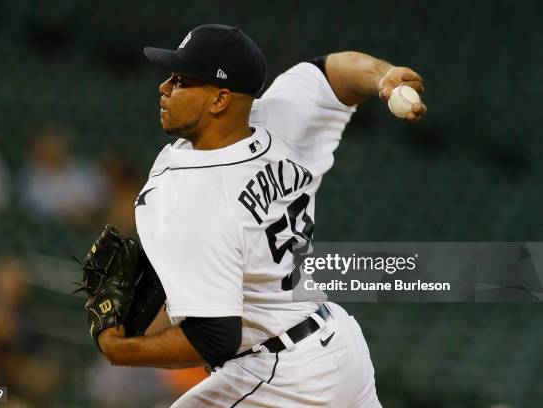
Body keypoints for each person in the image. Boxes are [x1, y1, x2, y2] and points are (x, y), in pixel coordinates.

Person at [96, 24, 426, 407]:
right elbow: (335, 71)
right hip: (336, 343)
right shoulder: (280, 117)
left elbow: (215, 338)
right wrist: (383, 76)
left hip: (281, 379)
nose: (164, 88)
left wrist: (121, 350)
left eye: (182, 81)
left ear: (220, 100)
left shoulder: (185, 197)